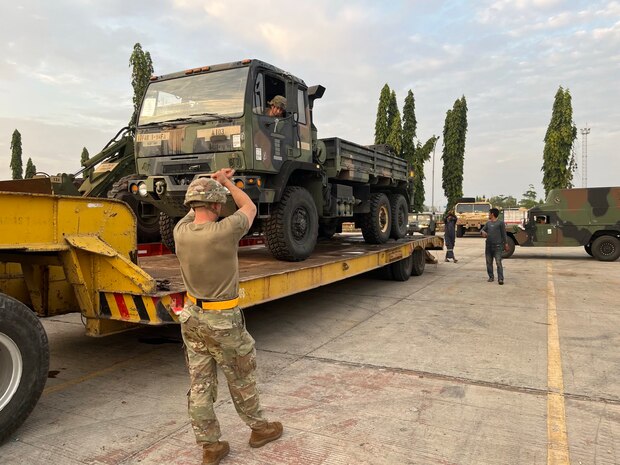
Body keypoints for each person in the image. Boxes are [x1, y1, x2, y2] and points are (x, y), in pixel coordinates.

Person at [173, 169, 283, 465]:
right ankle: (260, 429)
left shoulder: (180, 232)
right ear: (216, 205)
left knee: (199, 384)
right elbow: (249, 207)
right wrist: (226, 183)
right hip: (222, 320)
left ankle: (210, 446)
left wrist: (204, 181)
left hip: (192, 318)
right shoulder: (225, 230)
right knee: (241, 377)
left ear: (193, 204)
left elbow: (192, 210)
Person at [481, 207, 509, 285]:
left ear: (492, 214)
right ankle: (491, 277)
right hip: (488, 246)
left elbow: (504, 234)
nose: (488, 215)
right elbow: (482, 230)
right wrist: (483, 232)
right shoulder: (488, 223)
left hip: (498, 246)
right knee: (489, 262)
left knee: (498, 262)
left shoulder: (500, 223)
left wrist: (506, 244)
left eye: (489, 213)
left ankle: (500, 279)